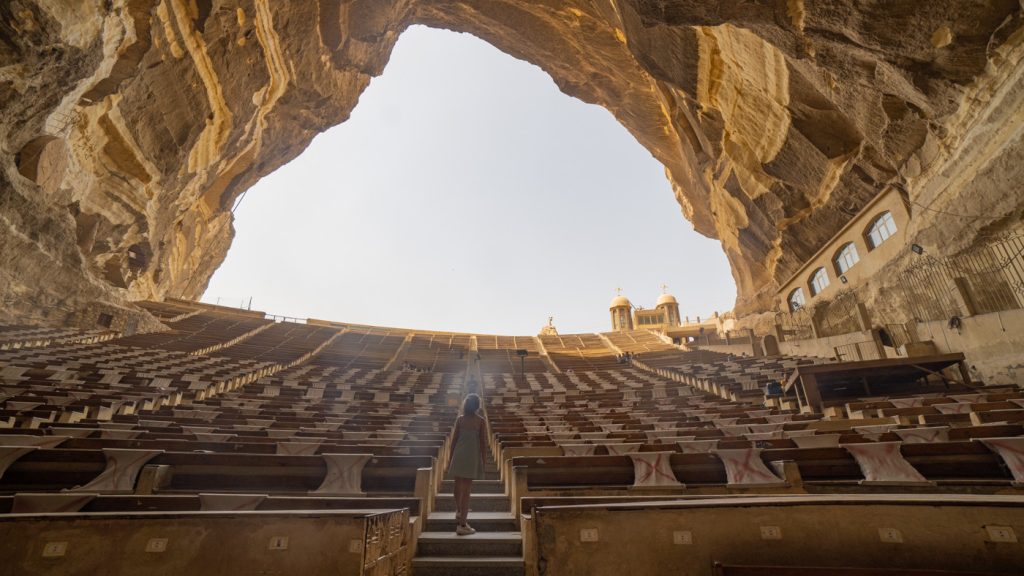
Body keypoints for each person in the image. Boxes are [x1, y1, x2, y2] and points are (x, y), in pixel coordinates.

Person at [447, 393, 487, 535]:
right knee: (466, 491)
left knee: (457, 485)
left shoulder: (460, 420)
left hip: (459, 454)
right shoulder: (480, 421)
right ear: (477, 406)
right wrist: (483, 460)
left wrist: (451, 457)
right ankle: (462, 525)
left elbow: (453, 441)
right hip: (471, 456)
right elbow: (483, 443)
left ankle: (459, 511)